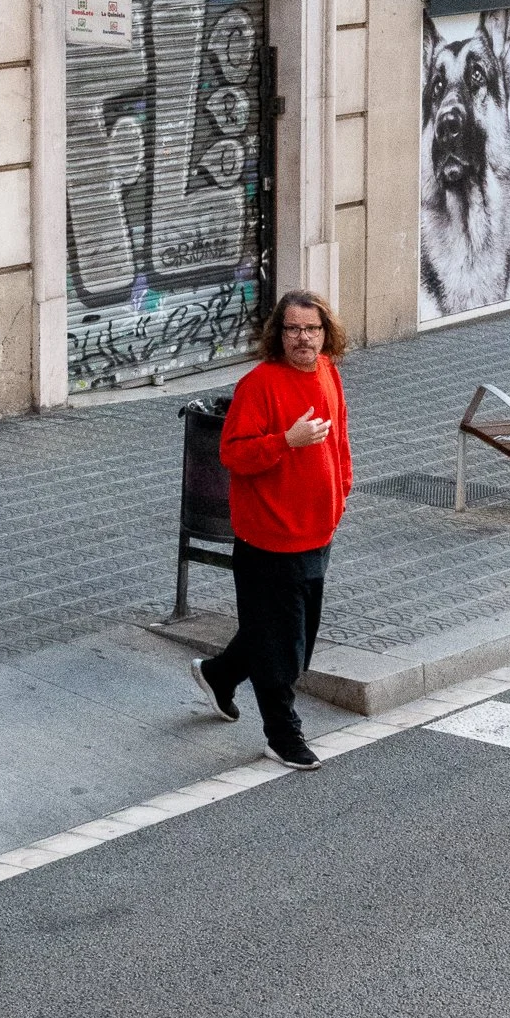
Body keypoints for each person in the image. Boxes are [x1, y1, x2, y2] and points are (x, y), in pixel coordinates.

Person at [191, 290, 353, 770]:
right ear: (278, 334)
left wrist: (341, 493)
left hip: (318, 531)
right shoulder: (258, 385)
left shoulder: (328, 371)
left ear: (326, 332)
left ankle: (219, 674)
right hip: (267, 538)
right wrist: (286, 441)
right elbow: (233, 454)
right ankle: (283, 737)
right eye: (293, 329)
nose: (303, 338)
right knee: (283, 647)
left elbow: (340, 439)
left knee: (289, 638)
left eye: (312, 329)